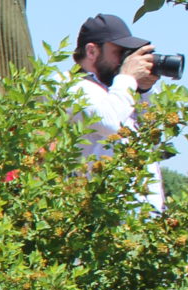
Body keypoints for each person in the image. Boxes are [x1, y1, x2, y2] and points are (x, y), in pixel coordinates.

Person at [70, 12, 166, 211]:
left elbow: (157, 131)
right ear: (92, 51)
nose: (125, 61)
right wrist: (128, 78)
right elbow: (109, 122)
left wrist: (145, 89)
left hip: (141, 223)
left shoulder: (120, 90)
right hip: (103, 219)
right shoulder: (70, 86)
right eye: (119, 52)